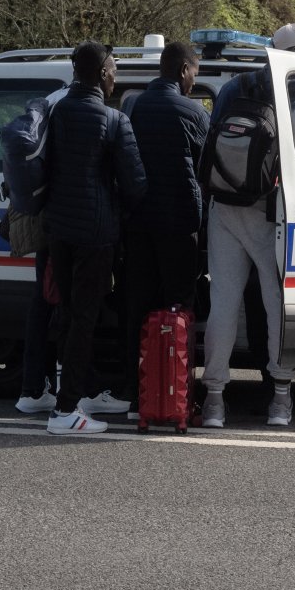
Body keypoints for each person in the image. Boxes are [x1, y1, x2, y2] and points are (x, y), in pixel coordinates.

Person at [200, 22, 295, 430]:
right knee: (276, 306)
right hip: (272, 216)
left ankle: (214, 401)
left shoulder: (234, 89)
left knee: (223, 307)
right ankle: (280, 400)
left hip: (225, 209)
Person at [43, 42, 146, 434]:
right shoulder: (114, 120)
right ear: (103, 73)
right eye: (114, 69)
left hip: (58, 231)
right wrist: (117, 208)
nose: (116, 76)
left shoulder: (55, 112)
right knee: (84, 318)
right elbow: (136, 183)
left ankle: (72, 392)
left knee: (67, 314)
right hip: (95, 233)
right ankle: (66, 410)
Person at [124, 41, 209, 415]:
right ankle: (178, 393)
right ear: (182, 71)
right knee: (180, 308)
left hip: (139, 223)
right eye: (194, 73)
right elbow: (208, 169)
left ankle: (136, 393)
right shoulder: (193, 112)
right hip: (179, 225)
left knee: (139, 307)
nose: (194, 81)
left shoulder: (132, 107)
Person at [16, 86, 68, 417]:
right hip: (65, 219)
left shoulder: (51, 101)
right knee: (68, 303)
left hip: (43, 216)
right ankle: (71, 391)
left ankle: (33, 388)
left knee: (43, 301)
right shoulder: (75, 105)